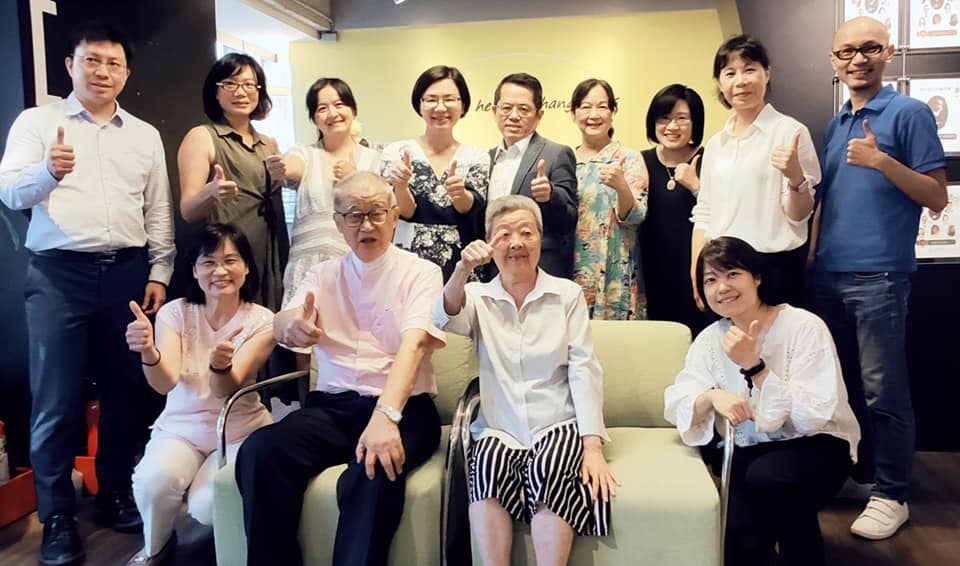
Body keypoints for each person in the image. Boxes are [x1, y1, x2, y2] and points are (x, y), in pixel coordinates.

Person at [0, 22, 175, 566]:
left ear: (126, 72)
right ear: (70, 66)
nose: (102, 71)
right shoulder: (38, 123)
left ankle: (114, 490)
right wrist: (47, 172)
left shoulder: (143, 135)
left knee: (126, 391)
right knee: (55, 399)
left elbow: (158, 208)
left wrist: (160, 269)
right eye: (91, 60)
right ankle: (56, 518)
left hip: (126, 271)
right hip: (58, 275)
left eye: (113, 63)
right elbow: (9, 191)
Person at [235, 171, 446, 566]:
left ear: (394, 216)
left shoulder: (422, 272)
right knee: (260, 451)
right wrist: (291, 324)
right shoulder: (322, 274)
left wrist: (386, 416)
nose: (366, 225)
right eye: (354, 215)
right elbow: (285, 318)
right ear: (337, 222)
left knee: (372, 471)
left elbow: (415, 345)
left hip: (404, 409)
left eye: (376, 213)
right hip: (332, 410)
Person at [810, 16, 947, 540]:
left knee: (883, 391)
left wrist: (881, 161)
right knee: (842, 387)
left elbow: (937, 196)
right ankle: (862, 475)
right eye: (847, 51)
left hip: (880, 277)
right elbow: (825, 202)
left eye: (869, 48)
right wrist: (812, 258)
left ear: (888, 53)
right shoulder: (836, 123)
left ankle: (893, 494)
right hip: (828, 275)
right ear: (833, 60)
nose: (858, 59)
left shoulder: (909, 113)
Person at [435, 195, 617, 565]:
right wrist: (462, 269)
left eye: (526, 232)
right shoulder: (478, 296)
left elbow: (583, 367)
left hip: (557, 421)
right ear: (489, 244)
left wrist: (592, 447)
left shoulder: (566, 294)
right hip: (500, 425)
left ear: (539, 238)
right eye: (504, 234)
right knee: (485, 467)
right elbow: (444, 317)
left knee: (551, 466)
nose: (516, 242)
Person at [664, 236, 859, 566]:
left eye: (732, 274)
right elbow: (678, 403)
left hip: (818, 443)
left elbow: (812, 416)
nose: (722, 287)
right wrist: (711, 396)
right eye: (710, 280)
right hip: (751, 451)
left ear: (756, 277)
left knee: (771, 479)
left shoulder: (803, 326)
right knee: (740, 545)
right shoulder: (710, 340)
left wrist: (755, 367)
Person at [124, 224, 275, 565]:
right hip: (181, 428)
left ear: (247, 267)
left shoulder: (263, 321)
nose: (220, 271)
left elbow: (225, 389)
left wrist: (221, 366)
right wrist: (148, 350)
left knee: (208, 505)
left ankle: (225, 546)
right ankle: (156, 550)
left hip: (238, 430)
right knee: (153, 482)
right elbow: (164, 383)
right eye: (208, 262)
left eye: (230, 260)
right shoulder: (175, 312)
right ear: (194, 270)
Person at [691, 35, 821, 309]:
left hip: (774, 268)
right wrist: (698, 270)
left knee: (779, 337)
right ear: (720, 83)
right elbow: (705, 211)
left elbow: (799, 215)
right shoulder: (716, 144)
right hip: (722, 268)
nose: (741, 81)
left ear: (766, 73)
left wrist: (796, 178)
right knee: (729, 337)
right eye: (730, 73)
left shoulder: (790, 132)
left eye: (749, 69)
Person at [178, 53, 288, 312]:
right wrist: (210, 193)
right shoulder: (202, 136)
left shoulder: (268, 143)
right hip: (226, 257)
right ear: (215, 91)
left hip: (269, 252)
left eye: (249, 84)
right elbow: (188, 211)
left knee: (267, 324)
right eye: (230, 83)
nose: (240, 92)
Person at [279, 78, 380, 307]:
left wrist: (355, 178)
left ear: (353, 110)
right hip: (307, 267)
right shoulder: (305, 154)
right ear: (314, 118)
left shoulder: (375, 160)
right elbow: (290, 167)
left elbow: (382, 211)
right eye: (322, 108)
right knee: (302, 324)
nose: (332, 114)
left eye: (339, 104)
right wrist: (281, 166)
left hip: (357, 264)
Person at [382, 65, 489, 281]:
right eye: (431, 99)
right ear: (419, 104)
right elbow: (405, 212)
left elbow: (470, 209)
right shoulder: (397, 152)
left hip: (462, 261)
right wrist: (401, 186)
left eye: (449, 99)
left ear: (462, 105)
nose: (440, 108)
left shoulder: (476, 156)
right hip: (409, 259)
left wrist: (460, 193)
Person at [570, 78, 649, 320]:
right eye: (585, 107)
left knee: (619, 338)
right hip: (572, 267)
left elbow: (636, 216)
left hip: (616, 265)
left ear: (613, 112)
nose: (593, 114)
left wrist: (621, 186)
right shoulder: (565, 160)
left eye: (602, 106)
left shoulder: (628, 158)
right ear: (573, 113)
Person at [486, 72, 578, 279]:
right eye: (506, 108)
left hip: (541, 268)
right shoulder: (486, 158)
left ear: (539, 115)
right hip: (493, 270)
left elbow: (569, 220)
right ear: (494, 111)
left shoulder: (557, 154)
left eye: (523, 109)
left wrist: (550, 195)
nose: (514, 116)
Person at [640, 84, 709, 336]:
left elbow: (722, 211)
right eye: (664, 118)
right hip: (652, 272)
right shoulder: (640, 161)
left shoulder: (709, 159)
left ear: (695, 122)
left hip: (695, 268)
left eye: (682, 118)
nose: (672, 126)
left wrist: (696, 187)